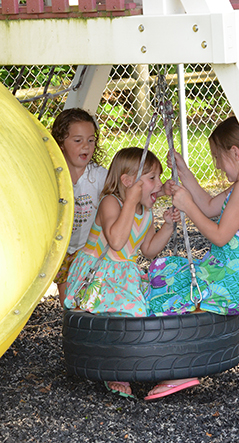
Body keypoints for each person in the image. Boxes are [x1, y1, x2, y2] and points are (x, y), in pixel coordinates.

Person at [144, 116, 239, 401]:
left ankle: (183, 366)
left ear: (235, 153)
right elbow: (208, 204)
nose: (216, 164)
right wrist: (184, 171)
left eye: (217, 157)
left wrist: (187, 206)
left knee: (169, 287)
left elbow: (219, 236)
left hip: (230, 280)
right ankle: (176, 359)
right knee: (168, 271)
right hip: (223, 272)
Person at [63, 147, 181, 398]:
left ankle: (136, 359)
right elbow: (116, 241)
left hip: (123, 276)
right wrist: (129, 200)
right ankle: (115, 369)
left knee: (148, 308)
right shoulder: (111, 202)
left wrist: (168, 227)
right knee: (131, 312)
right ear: (128, 182)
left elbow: (148, 250)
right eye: (152, 178)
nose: (158, 185)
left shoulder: (146, 213)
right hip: (97, 276)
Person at [52, 108, 108, 307]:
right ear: (61, 144)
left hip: (90, 248)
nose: (86, 146)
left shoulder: (99, 176)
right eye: (78, 140)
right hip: (61, 249)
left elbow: (122, 190)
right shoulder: (53, 176)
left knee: (93, 297)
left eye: (91, 140)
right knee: (67, 300)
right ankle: (72, 328)